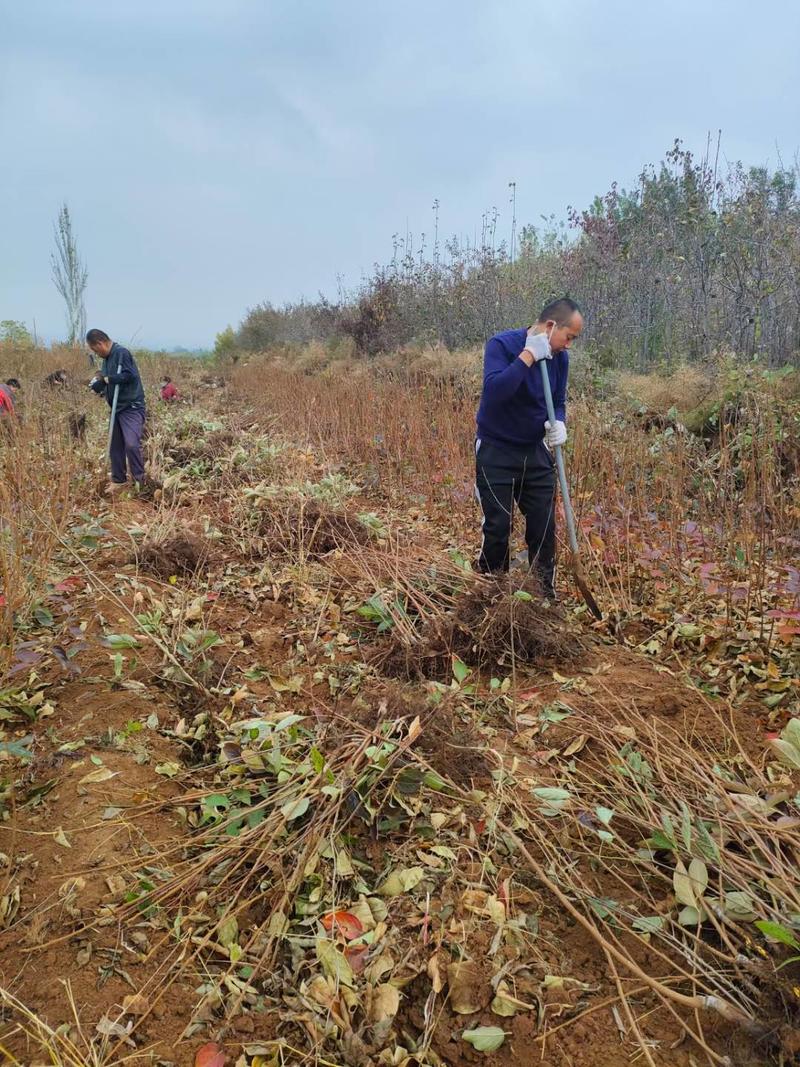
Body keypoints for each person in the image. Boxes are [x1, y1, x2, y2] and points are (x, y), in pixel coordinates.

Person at [474, 297, 584, 599]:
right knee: (498, 526)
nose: (569, 345)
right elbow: (495, 393)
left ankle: (542, 594)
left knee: (543, 524)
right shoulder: (502, 345)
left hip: (534, 450)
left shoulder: (560, 358)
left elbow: (557, 401)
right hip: (496, 449)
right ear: (551, 327)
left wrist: (559, 423)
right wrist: (528, 356)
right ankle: (492, 592)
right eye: (569, 337)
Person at [86, 329, 147, 491]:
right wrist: (100, 386)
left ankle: (140, 482)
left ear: (100, 343)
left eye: (95, 349)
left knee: (131, 444)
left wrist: (107, 380)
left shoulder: (121, 353)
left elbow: (130, 375)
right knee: (115, 446)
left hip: (131, 407)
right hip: (116, 408)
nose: (96, 353)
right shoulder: (106, 359)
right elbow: (108, 382)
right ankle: (119, 480)